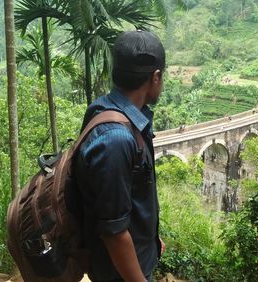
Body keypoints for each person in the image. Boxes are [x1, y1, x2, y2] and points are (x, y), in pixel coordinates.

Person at [74, 30, 165, 282]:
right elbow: (113, 232)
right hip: (120, 273)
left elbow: (128, 194)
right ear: (155, 77)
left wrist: (150, 237)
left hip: (132, 260)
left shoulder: (108, 110)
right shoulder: (116, 138)